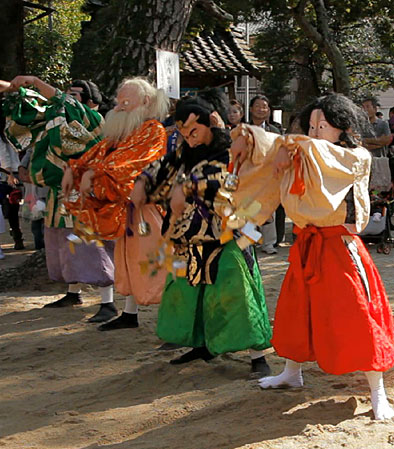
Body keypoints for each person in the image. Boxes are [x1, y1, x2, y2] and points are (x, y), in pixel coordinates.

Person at [232, 94, 394, 420]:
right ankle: (292, 372)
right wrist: (245, 225)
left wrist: (287, 144)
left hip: (340, 248)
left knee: (357, 317)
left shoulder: (354, 156)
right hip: (306, 245)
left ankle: (377, 390)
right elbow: (267, 184)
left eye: (323, 126)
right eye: (311, 126)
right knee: (298, 312)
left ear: (342, 129)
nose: (315, 132)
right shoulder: (300, 154)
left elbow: (323, 154)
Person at [131, 90, 273, 373]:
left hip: (228, 233)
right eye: (183, 131)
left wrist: (188, 187)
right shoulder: (186, 150)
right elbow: (164, 164)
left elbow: (229, 180)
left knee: (238, 292)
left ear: (211, 121)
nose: (188, 136)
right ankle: (201, 345)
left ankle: (259, 356)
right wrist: (143, 180)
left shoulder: (234, 146)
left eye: (193, 129)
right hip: (190, 236)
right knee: (191, 292)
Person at [2, 75, 114, 318]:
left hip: (88, 193)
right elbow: (33, 104)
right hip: (60, 195)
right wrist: (14, 87)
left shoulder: (94, 119)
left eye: (75, 95)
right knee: (63, 245)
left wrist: (34, 80)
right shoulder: (57, 121)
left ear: (91, 102)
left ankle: (108, 301)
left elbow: (60, 100)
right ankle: (73, 292)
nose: (66, 98)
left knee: (92, 247)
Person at [62, 77, 169, 329]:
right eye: (118, 102)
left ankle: (172, 320)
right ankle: (130, 314)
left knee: (153, 262)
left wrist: (92, 173)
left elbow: (127, 165)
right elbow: (95, 156)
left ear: (145, 102)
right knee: (127, 261)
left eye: (125, 102)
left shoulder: (154, 130)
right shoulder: (121, 134)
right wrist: (75, 169)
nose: (119, 107)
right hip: (125, 209)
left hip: (147, 208)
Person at [249, 94, 283, 253]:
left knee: (269, 210)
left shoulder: (275, 130)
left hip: (269, 176)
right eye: (258, 106)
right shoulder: (244, 129)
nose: (262, 110)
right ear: (250, 109)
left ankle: (269, 244)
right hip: (248, 176)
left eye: (265, 107)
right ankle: (249, 241)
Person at [0, 113, 23, 250]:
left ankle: (16, 237)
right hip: (14, 173)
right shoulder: (11, 135)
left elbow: (3, 156)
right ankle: (17, 236)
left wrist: (8, 173)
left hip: (6, 175)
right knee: (13, 210)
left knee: (8, 208)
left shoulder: (4, 137)